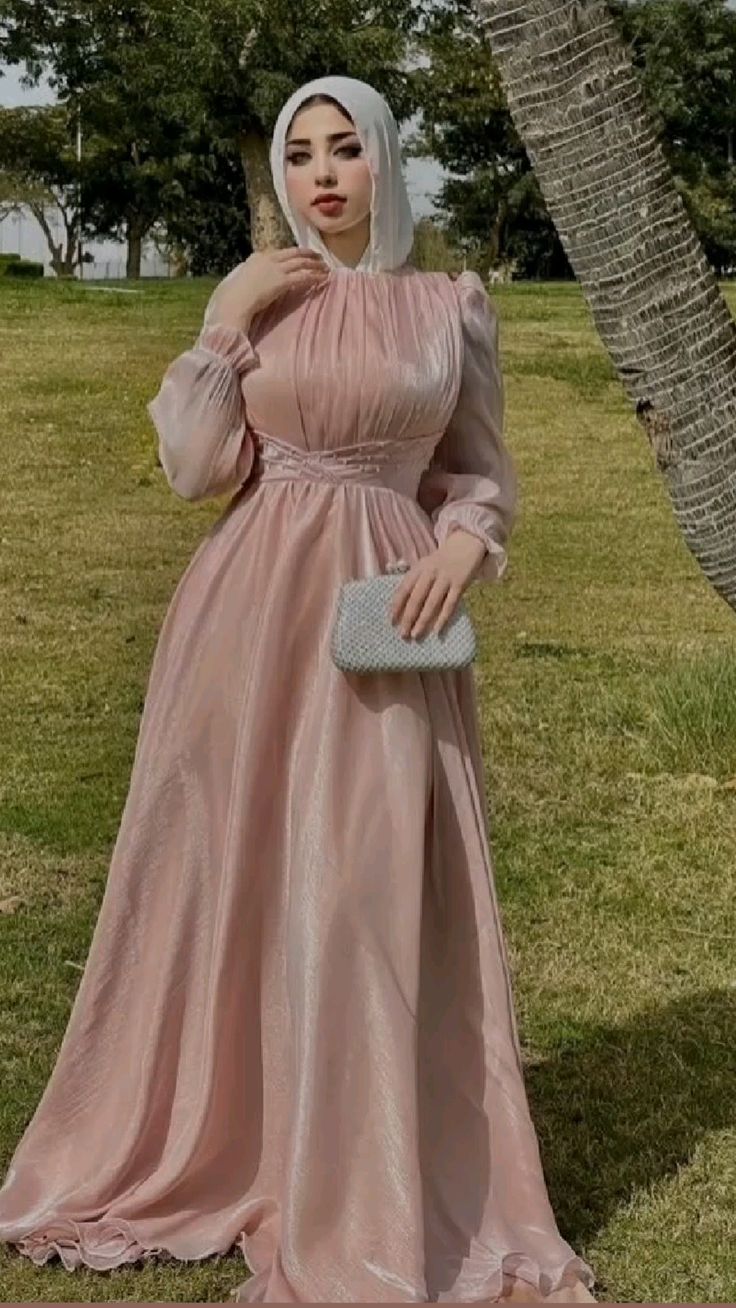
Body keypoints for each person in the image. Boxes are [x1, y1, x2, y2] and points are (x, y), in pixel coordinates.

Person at [0, 75, 597, 1304]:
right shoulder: (258, 299)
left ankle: (362, 1164)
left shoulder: (449, 304)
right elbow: (195, 470)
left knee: (366, 880)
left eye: (345, 149)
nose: (322, 173)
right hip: (249, 616)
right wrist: (222, 325)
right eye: (300, 152)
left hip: (384, 616)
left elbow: (479, 472)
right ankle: (234, 1136)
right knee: (233, 866)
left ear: (383, 160)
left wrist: (463, 545)